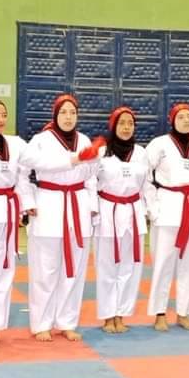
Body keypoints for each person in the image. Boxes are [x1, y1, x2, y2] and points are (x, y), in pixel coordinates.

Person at [19, 94, 97, 342]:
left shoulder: (84, 140)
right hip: (48, 204)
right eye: (63, 112)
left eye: (72, 112)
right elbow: (22, 171)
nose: (68, 117)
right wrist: (27, 201)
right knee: (45, 269)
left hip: (78, 204)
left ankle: (66, 321)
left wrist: (92, 205)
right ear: (55, 115)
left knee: (74, 269)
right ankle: (41, 323)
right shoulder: (41, 140)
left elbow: (92, 177)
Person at [145, 103, 189, 332]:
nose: (186, 120)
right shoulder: (159, 144)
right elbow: (145, 176)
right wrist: (152, 206)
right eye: (181, 117)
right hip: (168, 207)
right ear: (172, 120)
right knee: (163, 263)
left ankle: (184, 312)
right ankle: (160, 313)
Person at [92, 106, 148, 334]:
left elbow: (146, 185)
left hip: (133, 212)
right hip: (108, 212)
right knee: (107, 267)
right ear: (113, 126)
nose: (126, 127)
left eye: (130, 123)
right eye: (122, 123)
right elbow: (91, 183)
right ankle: (108, 316)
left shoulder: (141, 153)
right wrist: (92, 210)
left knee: (130, 267)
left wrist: (149, 211)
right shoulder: (101, 152)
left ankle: (121, 314)